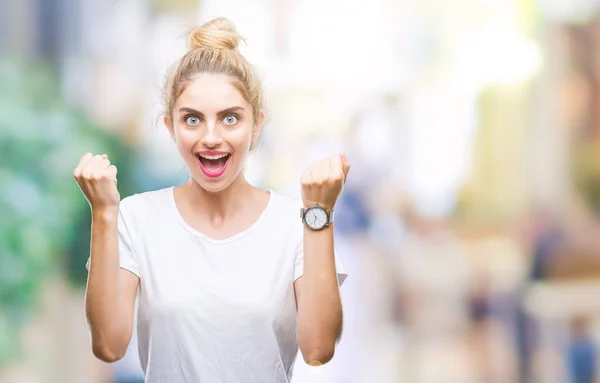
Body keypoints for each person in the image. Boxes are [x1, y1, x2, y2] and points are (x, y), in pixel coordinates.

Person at [73, 17, 349, 383]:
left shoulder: (293, 224)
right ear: (171, 127)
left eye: (230, 118)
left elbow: (319, 349)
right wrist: (104, 213)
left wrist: (319, 214)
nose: (211, 137)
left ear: (256, 125)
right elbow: (109, 345)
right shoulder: (135, 218)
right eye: (192, 120)